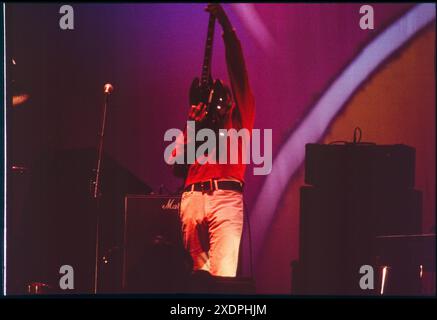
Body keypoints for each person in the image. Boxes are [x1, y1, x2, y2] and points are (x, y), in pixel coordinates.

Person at [168, 4, 255, 278]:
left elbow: (237, 69)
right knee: (196, 278)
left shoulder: (239, 115)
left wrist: (225, 26)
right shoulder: (197, 125)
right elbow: (176, 166)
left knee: (222, 278)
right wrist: (192, 125)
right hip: (192, 198)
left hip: (224, 197)